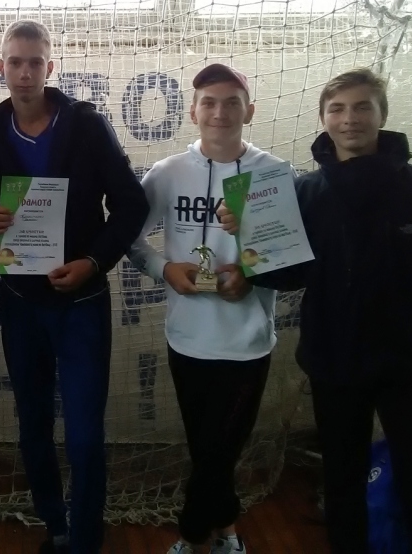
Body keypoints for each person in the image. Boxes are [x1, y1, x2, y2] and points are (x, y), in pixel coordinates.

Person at [219, 67, 412, 554]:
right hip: (336, 363)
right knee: (342, 484)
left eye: (361, 107)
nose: (349, 118)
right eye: (337, 109)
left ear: (382, 115)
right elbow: (288, 275)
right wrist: (247, 238)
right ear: (324, 119)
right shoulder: (301, 194)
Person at [0, 20, 148, 554]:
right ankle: (55, 524)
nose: (25, 72)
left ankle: (86, 539)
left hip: (81, 302)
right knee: (32, 427)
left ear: (50, 67)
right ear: (1, 68)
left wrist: (93, 262)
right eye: (15, 62)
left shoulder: (87, 126)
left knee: (84, 434)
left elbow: (132, 204)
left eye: (35, 62)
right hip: (20, 303)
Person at [129, 64, 279, 554]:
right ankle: (228, 531)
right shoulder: (168, 173)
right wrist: (164, 269)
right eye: (209, 103)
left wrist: (252, 274)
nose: (220, 112)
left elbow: (290, 254)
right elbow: (130, 238)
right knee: (208, 450)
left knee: (219, 452)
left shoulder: (274, 173)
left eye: (232, 102)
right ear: (192, 112)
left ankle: (192, 537)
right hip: (188, 339)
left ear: (249, 111)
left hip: (247, 342)